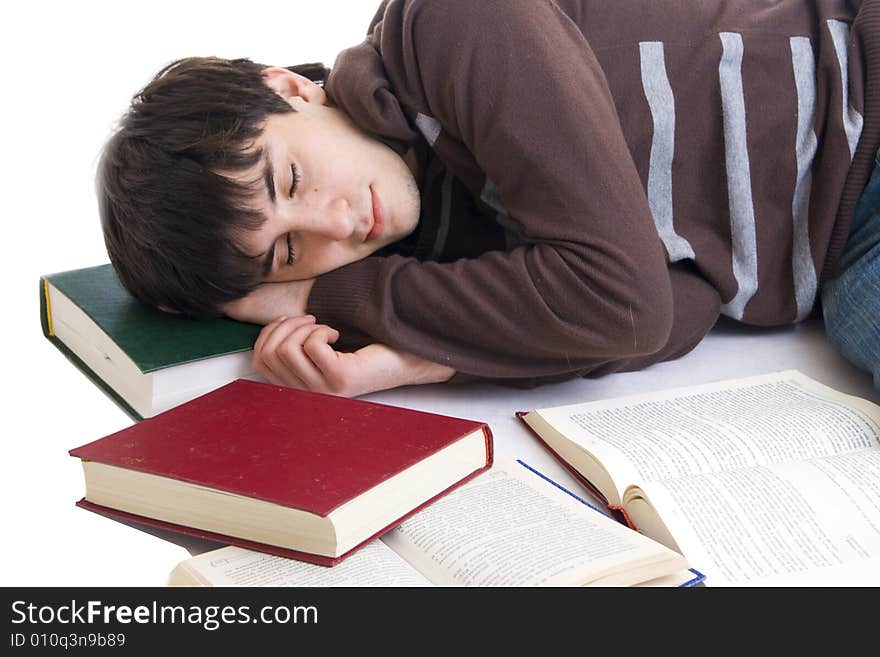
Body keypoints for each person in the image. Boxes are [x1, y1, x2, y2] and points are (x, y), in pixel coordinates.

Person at [98, 0, 880, 398]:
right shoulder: (443, 246)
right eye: (291, 252)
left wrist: (336, 290)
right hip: (847, 253)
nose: (340, 222)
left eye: (294, 180)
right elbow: (680, 307)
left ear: (289, 87)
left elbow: (626, 306)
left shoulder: (448, 27)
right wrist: (427, 361)